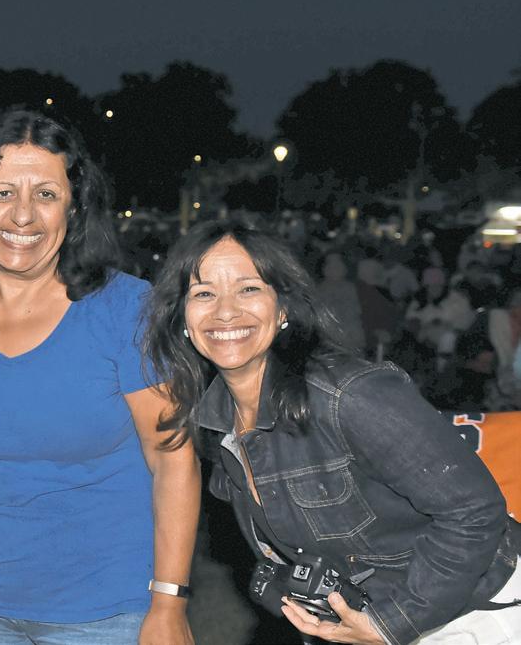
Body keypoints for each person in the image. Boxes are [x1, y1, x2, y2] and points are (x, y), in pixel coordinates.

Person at [143, 218, 521, 645]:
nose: (225, 310)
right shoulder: (217, 423)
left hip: (473, 617)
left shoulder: (348, 394)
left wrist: (392, 623)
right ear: (183, 317)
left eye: (248, 289)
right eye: (204, 293)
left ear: (283, 309)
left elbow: (474, 510)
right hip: (373, 623)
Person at [0, 107, 199, 644]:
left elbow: (174, 459)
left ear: (74, 208)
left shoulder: (124, 309)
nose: (23, 215)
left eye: (46, 194)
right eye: (3, 192)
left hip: (103, 611)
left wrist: (169, 601)